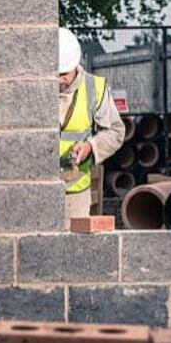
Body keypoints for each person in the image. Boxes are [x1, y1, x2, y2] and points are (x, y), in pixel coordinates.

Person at [58, 27, 125, 227]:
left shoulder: (94, 87)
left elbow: (116, 131)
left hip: (75, 191)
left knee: (72, 252)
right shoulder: (35, 86)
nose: (58, 80)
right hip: (36, 190)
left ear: (74, 65)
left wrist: (90, 146)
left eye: (63, 74)